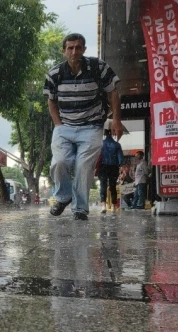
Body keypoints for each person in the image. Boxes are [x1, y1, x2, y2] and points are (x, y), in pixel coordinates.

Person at [44, 33, 122, 220]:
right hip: (64, 126)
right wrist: (58, 125)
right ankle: (64, 196)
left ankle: (80, 209)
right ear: (64, 51)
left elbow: (113, 94)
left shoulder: (98, 67)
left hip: (92, 126)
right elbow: (51, 101)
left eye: (78, 47)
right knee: (59, 162)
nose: (74, 51)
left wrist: (117, 120)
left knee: (83, 166)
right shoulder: (55, 74)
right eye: (70, 48)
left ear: (84, 49)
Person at [98, 123, 124, 214]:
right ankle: (113, 206)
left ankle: (103, 205)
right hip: (113, 167)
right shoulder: (117, 145)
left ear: (104, 133)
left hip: (103, 167)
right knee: (113, 186)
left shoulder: (101, 144)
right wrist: (121, 167)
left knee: (103, 185)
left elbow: (97, 156)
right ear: (112, 133)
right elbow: (121, 159)